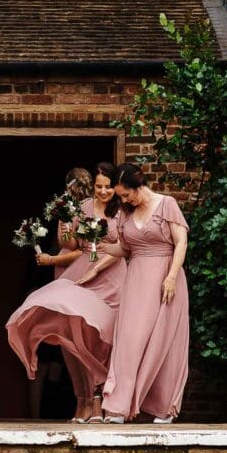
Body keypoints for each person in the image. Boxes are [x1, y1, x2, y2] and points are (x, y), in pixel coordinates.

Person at [7, 163, 126, 422]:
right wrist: (64, 218)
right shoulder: (83, 208)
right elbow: (69, 245)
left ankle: (102, 401)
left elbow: (124, 246)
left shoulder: (121, 211)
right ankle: (83, 400)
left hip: (113, 278)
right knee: (76, 338)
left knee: (104, 340)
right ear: (93, 186)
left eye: (108, 187)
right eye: (99, 186)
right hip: (84, 274)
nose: (103, 191)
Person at [88, 163, 189, 424]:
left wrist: (171, 277)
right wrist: (102, 247)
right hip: (136, 280)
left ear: (138, 186)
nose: (122, 199)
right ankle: (119, 407)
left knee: (164, 341)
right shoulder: (125, 212)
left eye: (125, 194)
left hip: (166, 278)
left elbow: (181, 243)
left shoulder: (167, 204)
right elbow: (125, 249)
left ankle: (163, 408)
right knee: (129, 341)